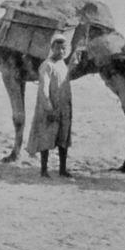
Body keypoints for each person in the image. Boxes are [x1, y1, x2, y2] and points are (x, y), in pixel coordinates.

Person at [26, 34, 82, 178]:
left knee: (63, 138)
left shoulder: (63, 64)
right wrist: (49, 108)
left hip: (64, 107)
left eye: (64, 49)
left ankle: (62, 169)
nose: (61, 51)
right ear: (52, 48)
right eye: (58, 48)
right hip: (50, 108)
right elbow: (43, 88)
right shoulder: (47, 65)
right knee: (46, 138)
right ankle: (44, 170)